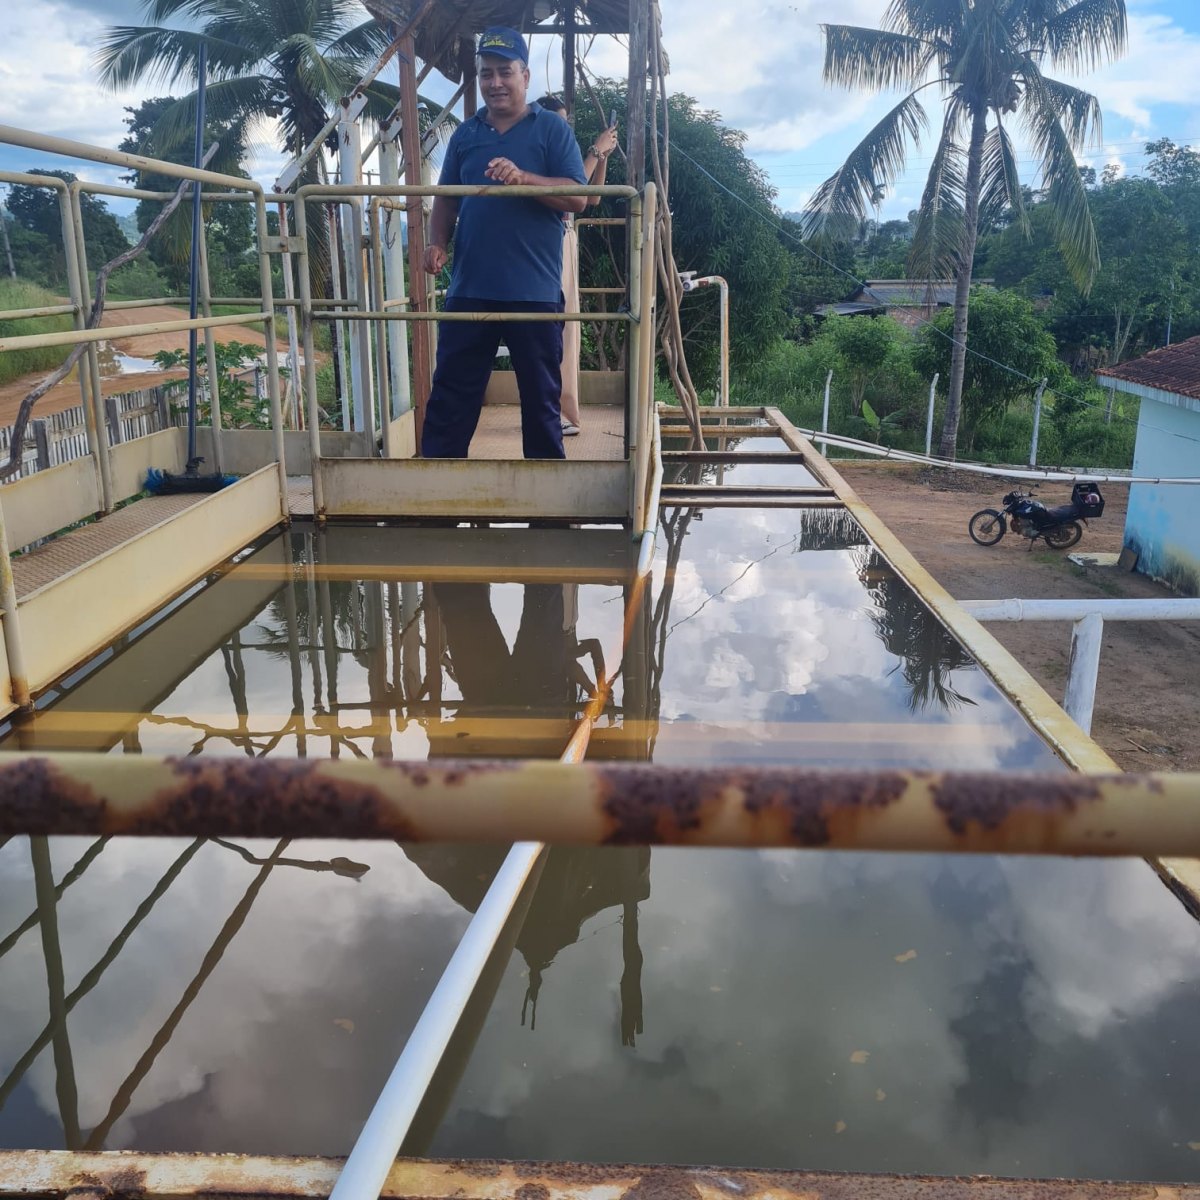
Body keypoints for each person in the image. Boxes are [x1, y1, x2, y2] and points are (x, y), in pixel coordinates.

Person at [421, 27, 588, 460]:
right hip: (469, 290)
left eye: (505, 72)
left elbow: (578, 197)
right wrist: (437, 243)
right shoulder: (465, 135)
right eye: (486, 73)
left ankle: (546, 492)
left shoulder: (551, 129)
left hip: (534, 293)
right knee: (450, 399)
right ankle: (435, 488)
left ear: (525, 76)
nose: (495, 82)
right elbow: (446, 200)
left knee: (541, 402)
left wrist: (523, 178)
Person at [537, 96, 619, 436]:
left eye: (565, 122)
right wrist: (595, 151)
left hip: (564, 238)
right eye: (558, 121)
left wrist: (602, 157)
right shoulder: (539, 154)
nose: (564, 128)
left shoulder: (560, 154)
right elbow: (570, 192)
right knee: (555, 328)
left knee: (568, 329)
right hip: (549, 241)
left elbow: (591, 197)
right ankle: (555, 413)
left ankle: (563, 411)